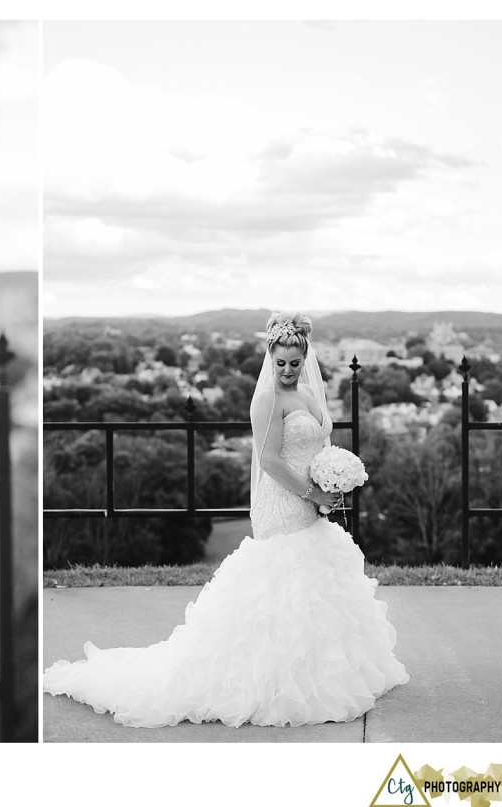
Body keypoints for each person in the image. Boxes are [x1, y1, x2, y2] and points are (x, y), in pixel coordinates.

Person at [42, 311, 408, 728]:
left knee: (316, 584)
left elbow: (316, 443)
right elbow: (269, 460)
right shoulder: (268, 398)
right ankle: (273, 680)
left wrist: (331, 479)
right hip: (285, 501)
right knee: (286, 582)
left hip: (311, 500)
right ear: (269, 357)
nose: (287, 370)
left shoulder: (308, 394)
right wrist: (314, 492)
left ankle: (325, 672)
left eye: (294, 363)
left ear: (305, 359)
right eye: (280, 363)